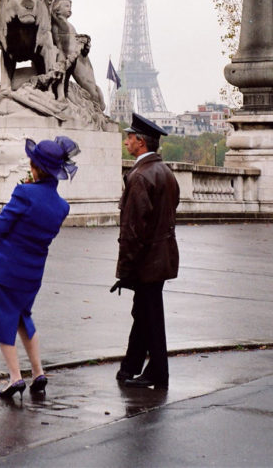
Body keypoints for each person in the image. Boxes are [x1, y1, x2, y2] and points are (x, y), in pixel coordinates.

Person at [0, 136, 78, 399]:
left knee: (2, 321)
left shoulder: (23, 192)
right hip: (32, 272)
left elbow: (1, 227)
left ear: (34, 167)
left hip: (6, 268)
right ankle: (38, 372)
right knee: (22, 318)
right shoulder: (62, 206)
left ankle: (15, 378)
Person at [112, 113, 179, 390]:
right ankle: (131, 366)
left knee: (150, 317)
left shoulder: (140, 176)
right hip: (162, 256)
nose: (126, 140)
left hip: (146, 260)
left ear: (140, 142)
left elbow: (132, 230)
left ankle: (158, 372)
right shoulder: (165, 172)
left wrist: (125, 270)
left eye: (129, 136)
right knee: (144, 313)